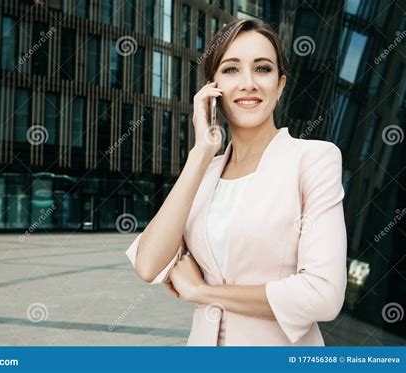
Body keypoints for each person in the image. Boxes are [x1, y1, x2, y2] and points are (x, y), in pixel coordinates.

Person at [126, 18, 347, 346]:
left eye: (262, 69)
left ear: (280, 84)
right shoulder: (205, 172)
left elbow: (323, 295)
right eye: (231, 70)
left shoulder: (313, 159)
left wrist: (203, 292)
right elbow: (147, 265)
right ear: (212, 88)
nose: (248, 83)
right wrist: (200, 154)